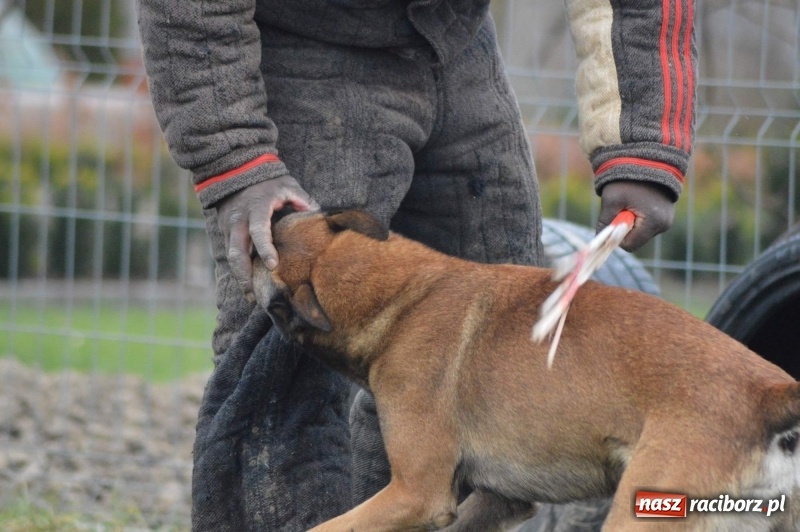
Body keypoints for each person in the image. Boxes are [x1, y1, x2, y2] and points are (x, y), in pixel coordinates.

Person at [137, 1, 696, 529]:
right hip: (302, 38)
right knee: (282, 366)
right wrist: (236, 157)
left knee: (511, 351)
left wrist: (643, 142)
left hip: (453, 38)